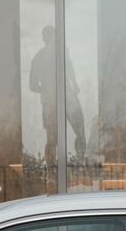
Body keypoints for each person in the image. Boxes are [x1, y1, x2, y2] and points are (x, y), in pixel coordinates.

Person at [28, 25, 86, 163]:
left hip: (50, 100)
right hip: (66, 96)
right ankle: (79, 161)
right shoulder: (60, 51)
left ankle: (52, 169)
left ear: (44, 39)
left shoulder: (37, 58)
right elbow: (69, 68)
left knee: (52, 138)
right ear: (53, 37)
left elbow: (33, 85)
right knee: (79, 129)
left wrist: (44, 88)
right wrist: (74, 84)